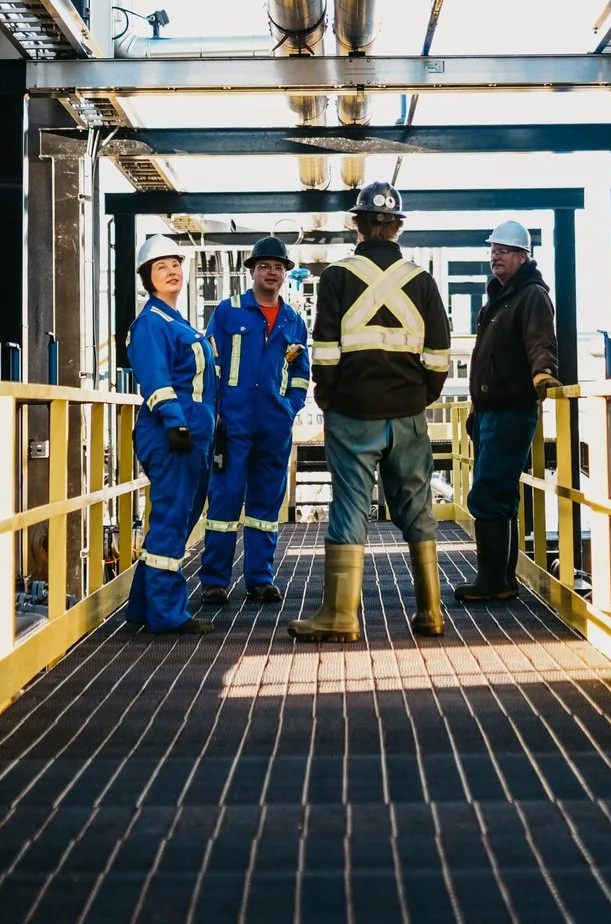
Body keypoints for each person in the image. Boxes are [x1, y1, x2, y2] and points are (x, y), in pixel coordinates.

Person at [292, 179, 454, 643]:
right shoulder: (421, 280)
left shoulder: (337, 277)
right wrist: (422, 394)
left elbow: (323, 350)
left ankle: (341, 616)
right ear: (397, 227)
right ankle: (430, 613)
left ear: (358, 225)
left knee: (349, 506)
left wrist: (329, 396)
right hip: (407, 412)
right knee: (418, 506)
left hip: (353, 411)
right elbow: (440, 351)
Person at [453, 220, 561, 604]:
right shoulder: (498, 301)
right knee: (500, 495)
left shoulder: (530, 296)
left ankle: (493, 581)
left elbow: (540, 341)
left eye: (503, 250)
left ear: (522, 256)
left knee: (488, 494)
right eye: (493, 250)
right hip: (491, 413)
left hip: (510, 411)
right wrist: (477, 409)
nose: (495, 256)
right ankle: (502, 578)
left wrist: (544, 374)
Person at [200, 235, 310, 607]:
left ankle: (260, 579)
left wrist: (289, 408)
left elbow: (300, 373)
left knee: (265, 505)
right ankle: (215, 581)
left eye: (278, 267)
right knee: (225, 500)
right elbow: (210, 367)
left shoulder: (294, 321)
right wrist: (214, 414)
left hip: (274, 427)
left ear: (285, 275)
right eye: (265, 266)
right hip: (232, 425)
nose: (272, 272)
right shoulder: (228, 313)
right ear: (253, 271)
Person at [124, 232, 215, 635]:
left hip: (193, 435)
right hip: (171, 434)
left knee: (175, 518)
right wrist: (174, 420)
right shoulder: (151, 324)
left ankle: (144, 607)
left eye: (175, 264)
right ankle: (166, 615)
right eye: (161, 266)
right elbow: (156, 378)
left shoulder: (177, 322)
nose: (172, 271)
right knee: (172, 521)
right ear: (148, 277)